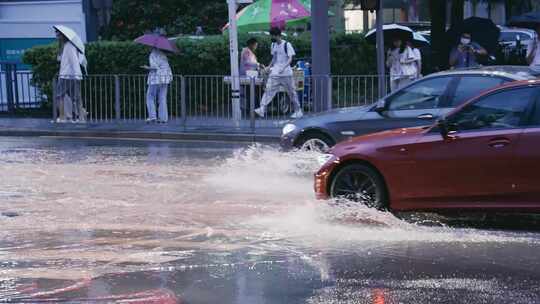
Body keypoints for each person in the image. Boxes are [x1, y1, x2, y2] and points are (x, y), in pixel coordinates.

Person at [254, 27, 303, 119]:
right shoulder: (273, 45)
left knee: (291, 92)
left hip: (286, 73)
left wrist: (283, 67)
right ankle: (262, 109)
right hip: (275, 72)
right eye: (271, 35)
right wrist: (269, 67)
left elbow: (290, 58)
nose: (272, 37)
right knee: (268, 90)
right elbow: (274, 58)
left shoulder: (287, 45)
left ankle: (298, 110)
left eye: (273, 36)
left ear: (279, 35)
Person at [55, 29, 85, 123]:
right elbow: (60, 60)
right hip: (70, 75)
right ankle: (81, 117)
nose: (57, 37)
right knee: (76, 97)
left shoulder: (69, 46)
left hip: (66, 76)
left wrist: (78, 75)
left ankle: (62, 117)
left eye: (59, 35)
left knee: (59, 96)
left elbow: (74, 61)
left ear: (63, 36)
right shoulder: (66, 46)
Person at [143, 46, 172, 123]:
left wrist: (147, 67)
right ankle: (163, 118)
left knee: (150, 96)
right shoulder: (162, 54)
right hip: (165, 78)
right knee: (162, 97)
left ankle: (152, 116)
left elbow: (154, 67)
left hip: (155, 79)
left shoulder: (153, 54)